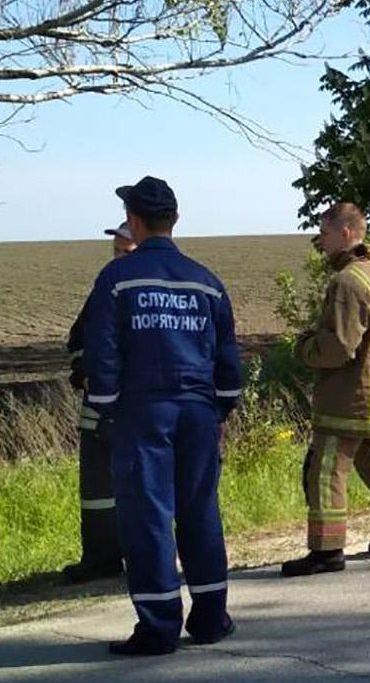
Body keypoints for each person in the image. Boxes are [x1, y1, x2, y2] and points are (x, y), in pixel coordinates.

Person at [81, 177, 241, 655]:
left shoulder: (117, 279)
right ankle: (211, 619)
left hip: (143, 414)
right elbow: (228, 361)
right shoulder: (206, 281)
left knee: (148, 516)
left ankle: (158, 627)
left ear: (133, 220)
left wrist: (106, 409)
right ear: (174, 220)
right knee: (200, 512)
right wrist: (221, 407)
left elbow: (101, 353)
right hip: (197, 413)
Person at [281, 203, 370, 577]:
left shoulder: (347, 282)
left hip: (350, 399)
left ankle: (327, 550)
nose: (320, 243)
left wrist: (305, 346)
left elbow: (340, 346)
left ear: (345, 232)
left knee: (326, 471)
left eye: (323, 235)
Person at [60, 223, 138, 583]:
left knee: (137, 485)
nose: (119, 257)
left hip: (134, 409)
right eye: (116, 251)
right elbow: (78, 338)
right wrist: (82, 371)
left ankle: (141, 556)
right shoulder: (104, 287)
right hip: (96, 411)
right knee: (95, 490)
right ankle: (100, 557)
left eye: (127, 251)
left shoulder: (143, 292)